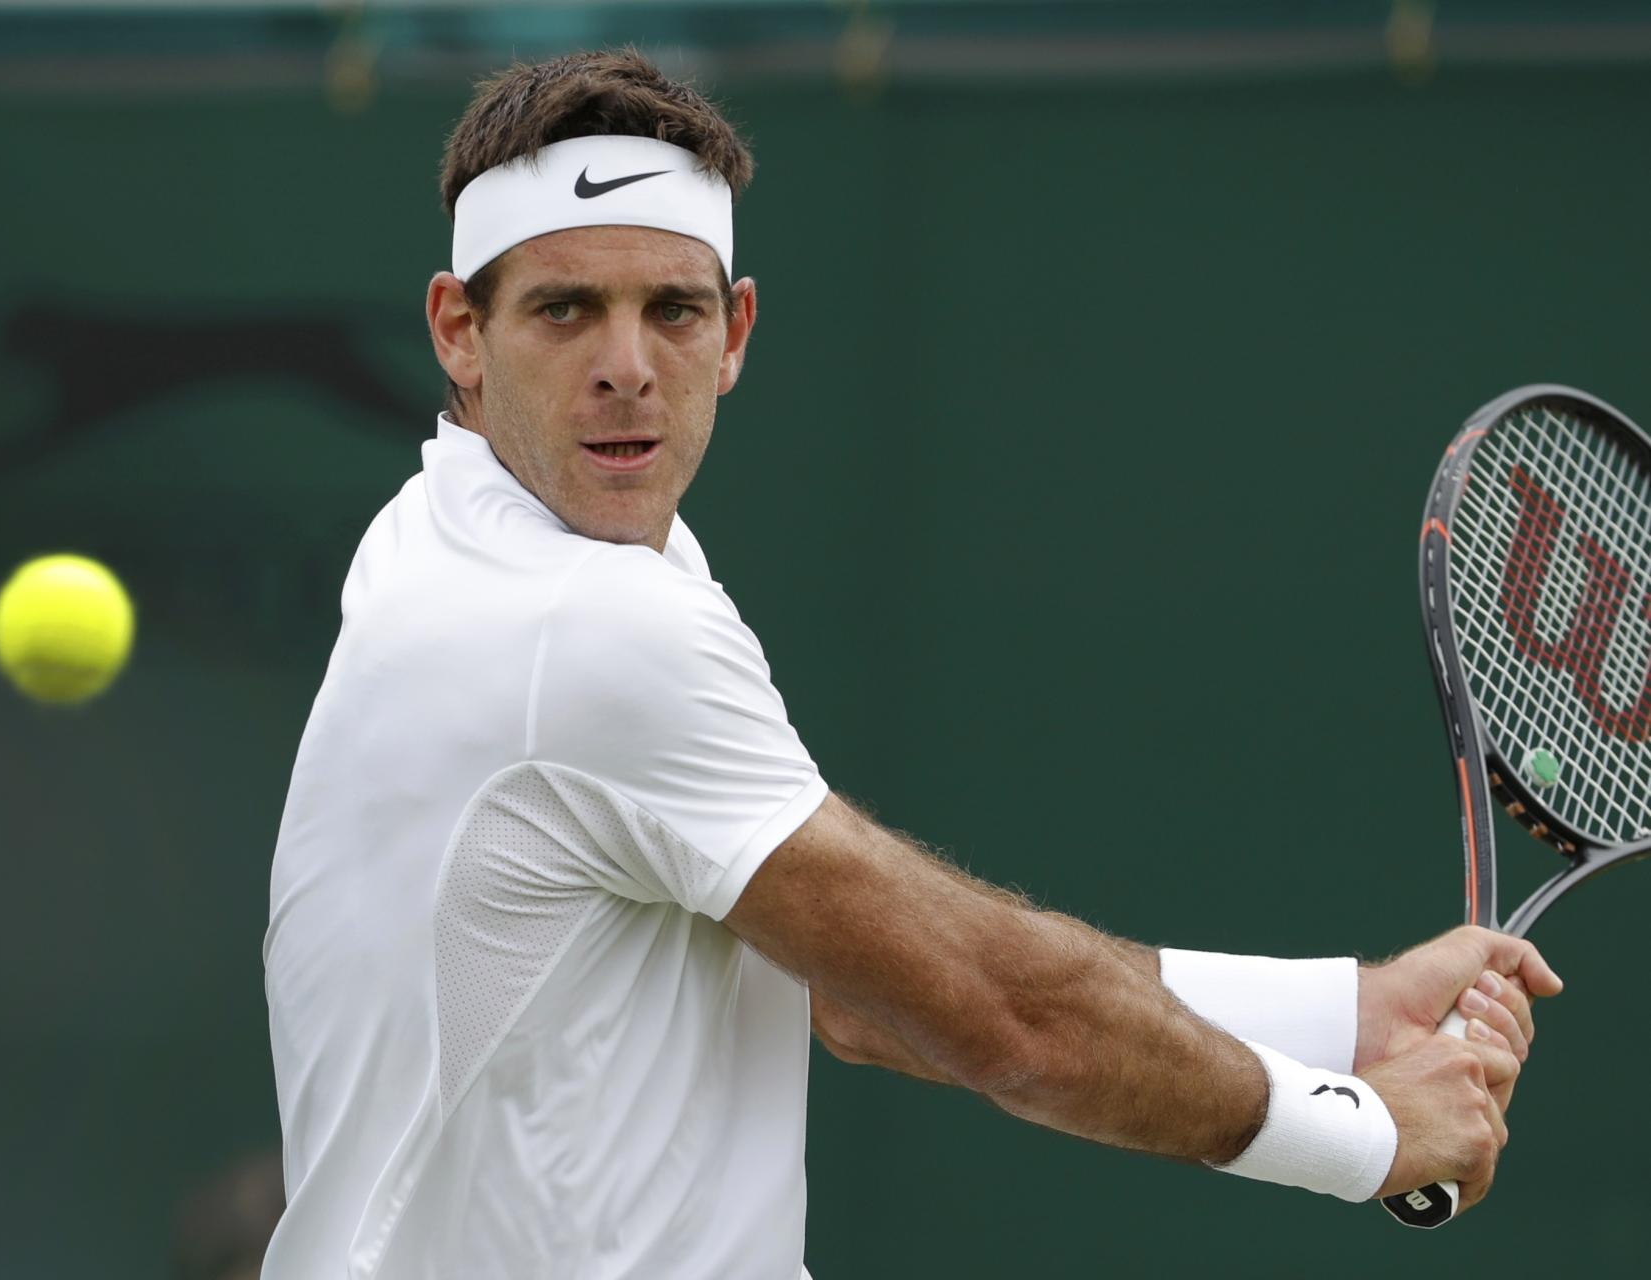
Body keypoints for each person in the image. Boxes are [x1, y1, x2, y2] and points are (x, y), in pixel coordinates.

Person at [260, 47, 1562, 1279]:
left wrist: (1346, 1012)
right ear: (457, 330)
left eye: (671, 310)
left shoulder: (455, 540)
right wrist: (1362, 1131)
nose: (625, 368)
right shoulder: (579, 626)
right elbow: (1000, 1014)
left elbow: (857, 996)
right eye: (563, 310)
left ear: (736, 332)